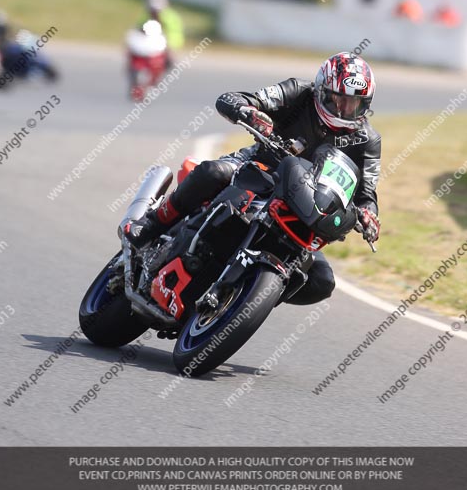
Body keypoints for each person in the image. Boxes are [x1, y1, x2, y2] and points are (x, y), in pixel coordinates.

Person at [126, 52, 381, 305]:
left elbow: (367, 193)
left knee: (321, 283)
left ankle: (247, 296)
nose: (345, 110)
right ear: (322, 90)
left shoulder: (368, 141)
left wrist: (369, 215)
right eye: (339, 100)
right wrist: (249, 112)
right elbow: (234, 99)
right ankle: (151, 225)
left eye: (354, 104)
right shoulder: (299, 91)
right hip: (261, 166)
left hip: (306, 205)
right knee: (213, 173)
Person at [143, 0, 184, 66]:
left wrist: (169, 46)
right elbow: (140, 26)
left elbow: (174, 34)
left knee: (168, 57)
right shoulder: (147, 16)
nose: (154, 12)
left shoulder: (169, 17)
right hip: (150, 40)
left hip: (168, 40)